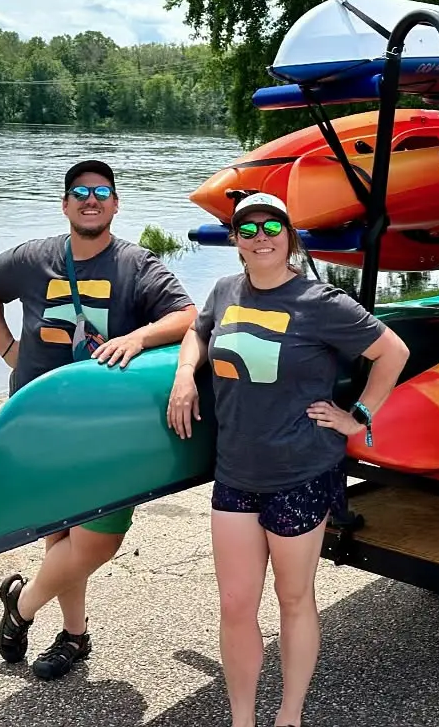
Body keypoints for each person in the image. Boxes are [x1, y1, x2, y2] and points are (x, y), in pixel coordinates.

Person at [166, 192, 410, 727]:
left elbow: (392, 351)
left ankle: (290, 715)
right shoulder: (225, 290)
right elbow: (198, 330)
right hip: (236, 475)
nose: (260, 236)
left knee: (293, 597)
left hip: (301, 472)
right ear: (235, 241)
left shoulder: (320, 302)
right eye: (247, 229)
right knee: (235, 604)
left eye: (271, 226)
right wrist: (186, 374)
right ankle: (242, 719)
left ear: (290, 236)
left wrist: (358, 416)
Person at [0, 158, 197, 680]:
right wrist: (7, 349)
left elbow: (188, 316)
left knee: (101, 538)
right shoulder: (33, 258)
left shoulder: (137, 264)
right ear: (65, 203)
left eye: (101, 192)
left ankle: (21, 607)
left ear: (115, 204)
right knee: (61, 535)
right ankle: (74, 636)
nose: (90, 200)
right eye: (79, 192)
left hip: (103, 427)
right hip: (39, 418)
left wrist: (138, 337)